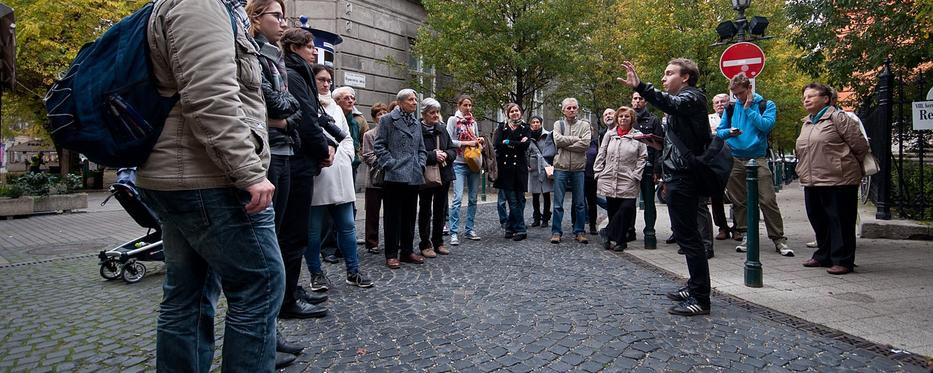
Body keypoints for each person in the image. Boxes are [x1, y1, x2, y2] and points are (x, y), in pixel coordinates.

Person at [138, 0, 283, 370]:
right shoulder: (200, 5)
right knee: (260, 284)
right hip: (208, 177)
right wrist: (248, 170)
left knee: (188, 293)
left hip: (186, 174)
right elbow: (210, 97)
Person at [247, 0, 323, 363]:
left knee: (288, 237)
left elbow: (290, 106)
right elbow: (276, 106)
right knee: (271, 245)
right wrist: (284, 119)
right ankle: (268, 331)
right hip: (270, 155)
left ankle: (284, 308)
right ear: (255, 17)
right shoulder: (257, 56)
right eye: (276, 15)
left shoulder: (274, 59)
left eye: (283, 15)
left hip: (286, 150)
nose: (282, 21)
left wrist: (284, 117)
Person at [619, 58, 712, 316]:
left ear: (685, 77)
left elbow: (669, 103)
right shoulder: (682, 103)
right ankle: (694, 286)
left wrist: (641, 86)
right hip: (676, 175)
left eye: (669, 73)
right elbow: (681, 139)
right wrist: (659, 145)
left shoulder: (692, 97)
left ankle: (701, 298)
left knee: (690, 238)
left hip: (685, 177)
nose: (664, 78)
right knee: (685, 235)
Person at [279, 27, 344, 323]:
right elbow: (305, 118)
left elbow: (312, 115)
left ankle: (291, 290)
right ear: (295, 48)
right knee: (293, 234)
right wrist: (323, 149)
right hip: (298, 160)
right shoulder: (294, 75)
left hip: (301, 158)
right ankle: (286, 299)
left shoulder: (299, 73)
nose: (313, 52)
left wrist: (333, 137)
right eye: (308, 47)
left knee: (296, 234)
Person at [303, 76, 374, 291]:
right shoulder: (307, 103)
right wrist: (323, 154)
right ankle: (316, 273)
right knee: (314, 231)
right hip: (319, 173)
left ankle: (353, 271)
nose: (326, 84)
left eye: (328, 80)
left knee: (348, 226)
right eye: (321, 80)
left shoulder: (335, 108)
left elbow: (347, 138)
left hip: (341, 172)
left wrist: (344, 156)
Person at [716, 73, 792, 257]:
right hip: (735, 158)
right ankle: (746, 234)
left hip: (757, 158)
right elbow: (719, 132)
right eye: (735, 94)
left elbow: (766, 126)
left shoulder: (766, 104)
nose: (738, 98)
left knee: (767, 199)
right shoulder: (731, 108)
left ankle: (778, 238)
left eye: (741, 93)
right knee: (739, 201)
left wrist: (749, 109)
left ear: (749, 89)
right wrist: (729, 132)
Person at [797, 83, 869, 275]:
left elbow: (859, 145)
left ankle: (843, 260)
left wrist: (843, 164)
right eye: (805, 97)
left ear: (826, 99)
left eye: (811, 96)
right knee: (818, 218)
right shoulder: (808, 122)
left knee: (840, 220)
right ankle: (824, 255)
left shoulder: (838, 118)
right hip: (812, 180)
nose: (806, 100)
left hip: (839, 179)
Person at [374, 89, 428, 269]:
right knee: (392, 216)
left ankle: (407, 251)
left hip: (413, 174)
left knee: (410, 215)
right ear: (400, 102)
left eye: (415, 99)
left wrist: (420, 164)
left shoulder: (416, 122)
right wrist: (391, 164)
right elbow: (379, 146)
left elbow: (421, 148)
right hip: (394, 175)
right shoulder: (387, 120)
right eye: (411, 100)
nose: (415, 102)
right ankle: (391, 253)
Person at [593, 106, 647, 251]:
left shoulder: (638, 135)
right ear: (617, 118)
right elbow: (601, 153)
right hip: (609, 176)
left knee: (627, 208)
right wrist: (598, 172)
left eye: (626, 116)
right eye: (621, 116)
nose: (623, 119)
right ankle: (619, 241)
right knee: (613, 210)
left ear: (632, 119)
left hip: (628, 178)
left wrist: (636, 174)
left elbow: (643, 157)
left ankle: (607, 231)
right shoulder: (609, 135)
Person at [418, 98, 457, 257]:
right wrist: (433, 156)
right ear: (424, 114)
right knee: (425, 210)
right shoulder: (417, 130)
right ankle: (425, 244)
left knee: (440, 209)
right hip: (426, 176)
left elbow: (453, 150)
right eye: (432, 112)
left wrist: (446, 155)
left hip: (444, 174)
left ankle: (438, 242)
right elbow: (415, 153)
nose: (435, 115)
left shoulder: (442, 128)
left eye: (437, 112)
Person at [550, 97, 591, 244]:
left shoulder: (585, 125)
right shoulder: (558, 124)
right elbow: (557, 141)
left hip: (578, 168)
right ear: (563, 110)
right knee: (558, 203)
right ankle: (556, 231)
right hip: (561, 167)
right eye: (569, 108)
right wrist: (576, 139)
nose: (572, 110)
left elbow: (585, 144)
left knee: (579, 202)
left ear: (578, 109)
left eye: (574, 107)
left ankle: (579, 231)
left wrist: (565, 143)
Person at [493, 103, 532, 241]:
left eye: (517, 110)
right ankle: (521, 229)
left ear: (521, 112)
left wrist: (508, 142)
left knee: (520, 200)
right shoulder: (501, 127)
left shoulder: (526, 127)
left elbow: (525, 146)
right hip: (506, 169)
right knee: (512, 200)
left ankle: (510, 227)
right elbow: (497, 144)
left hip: (520, 169)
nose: (515, 113)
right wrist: (516, 143)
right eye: (512, 111)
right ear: (507, 114)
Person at [631, 92, 664, 249]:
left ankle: (650, 233)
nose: (637, 101)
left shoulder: (653, 120)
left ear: (645, 102)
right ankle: (629, 230)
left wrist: (658, 169)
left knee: (649, 202)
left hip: (648, 166)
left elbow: (659, 146)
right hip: (629, 167)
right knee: (628, 201)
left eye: (640, 99)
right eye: (635, 98)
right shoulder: (627, 119)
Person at [362, 103, 390, 254]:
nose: (382, 116)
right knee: (372, 212)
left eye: (385, 113)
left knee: (391, 212)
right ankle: (372, 242)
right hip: (374, 178)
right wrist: (385, 162)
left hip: (391, 179)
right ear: (374, 118)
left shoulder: (392, 133)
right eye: (379, 114)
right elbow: (367, 155)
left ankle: (391, 240)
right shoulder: (369, 134)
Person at [582, 109, 612, 235]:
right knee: (578, 202)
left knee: (592, 200)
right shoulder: (576, 142)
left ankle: (593, 225)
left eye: (588, 129)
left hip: (591, 176)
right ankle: (577, 224)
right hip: (578, 174)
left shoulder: (596, 142)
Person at [709, 93, 733, 241]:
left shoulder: (735, 115)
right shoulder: (708, 119)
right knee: (716, 196)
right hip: (716, 162)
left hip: (734, 157)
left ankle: (738, 228)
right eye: (717, 102)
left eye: (723, 101)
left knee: (736, 195)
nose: (720, 104)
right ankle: (722, 227)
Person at [527, 115, 553, 228]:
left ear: (541, 123)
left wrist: (551, 164)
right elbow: (526, 152)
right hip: (533, 168)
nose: (536, 124)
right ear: (530, 124)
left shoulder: (548, 135)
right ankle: (536, 218)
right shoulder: (527, 137)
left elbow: (552, 150)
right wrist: (527, 164)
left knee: (546, 194)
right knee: (535, 195)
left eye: (537, 122)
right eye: (533, 122)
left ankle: (546, 218)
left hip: (545, 167)